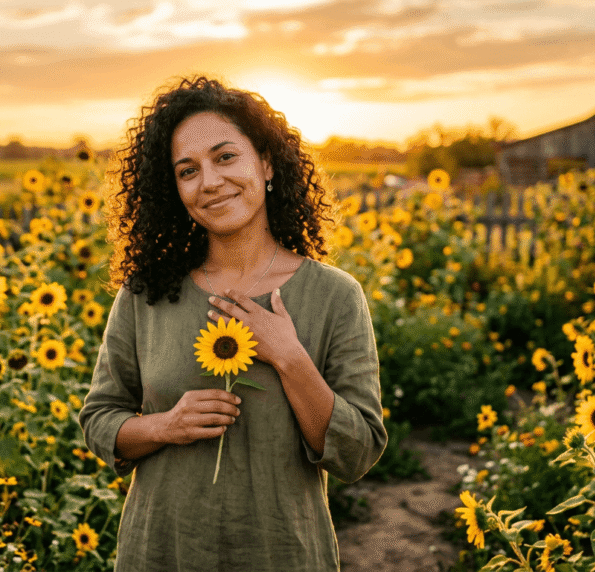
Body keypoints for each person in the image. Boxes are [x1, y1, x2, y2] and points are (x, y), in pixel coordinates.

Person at [79, 76, 387, 571]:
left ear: (265, 163)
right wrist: (166, 426)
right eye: (187, 170)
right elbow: (99, 420)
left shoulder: (334, 296)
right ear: (173, 189)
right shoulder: (146, 294)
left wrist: (288, 356)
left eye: (225, 157)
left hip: (281, 553)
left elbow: (357, 452)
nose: (210, 182)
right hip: (163, 551)